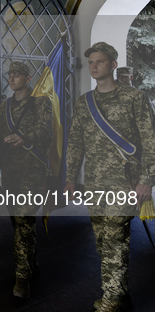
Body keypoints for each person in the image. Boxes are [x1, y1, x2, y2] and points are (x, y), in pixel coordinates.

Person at [64, 42, 155, 312]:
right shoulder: (84, 103)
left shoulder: (134, 98)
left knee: (116, 240)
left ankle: (111, 299)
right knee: (103, 241)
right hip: (94, 185)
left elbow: (150, 142)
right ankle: (120, 292)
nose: (94, 66)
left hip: (124, 183)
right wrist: (70, 178)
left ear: (113, 65)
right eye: (91, 62)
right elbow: (75, 143)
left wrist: (146, 180)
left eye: (100, 61)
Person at [0, 61, 52, 298]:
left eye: (17, 74)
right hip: (10, 173)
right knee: (18, 224)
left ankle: (22, 278)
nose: (12, 78)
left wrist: (24, 137)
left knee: (24, 222)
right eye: (10, 74)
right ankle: (31, 265)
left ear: (28, 78)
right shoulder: (4, 107)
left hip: (32, 172)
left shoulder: (41, 103)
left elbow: (46, 129)